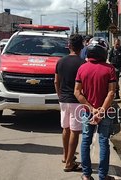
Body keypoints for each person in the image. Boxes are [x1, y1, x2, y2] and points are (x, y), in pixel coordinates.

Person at [74, 37, 116, 180]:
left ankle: (86, 175)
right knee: (103, 142)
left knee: (86, 140)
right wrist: (101, 111)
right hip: (105, 112)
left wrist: (92, 110)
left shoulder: (82, 68)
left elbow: (77, 92)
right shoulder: (110, 69)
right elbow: (111, 93)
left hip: (87, 112)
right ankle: (103, 177)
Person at [54, 34, 84, 171]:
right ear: (81, 47)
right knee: (75, 131)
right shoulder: (83, 63)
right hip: (76, 101)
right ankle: (69, 164)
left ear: (69, 46)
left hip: (63, 100)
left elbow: (56, 81)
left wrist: (60, 95)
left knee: (65, 128)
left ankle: (65, 156)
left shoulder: (60, 61)